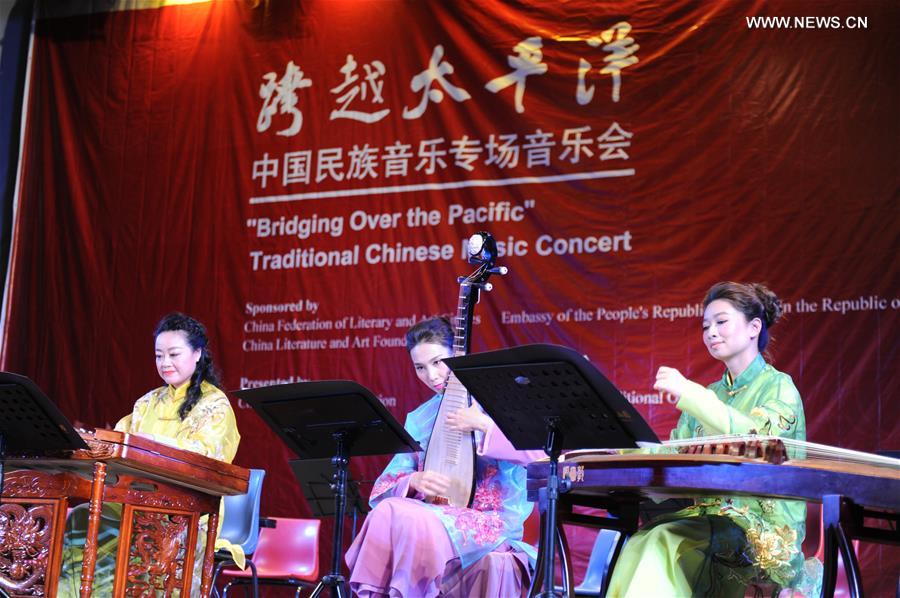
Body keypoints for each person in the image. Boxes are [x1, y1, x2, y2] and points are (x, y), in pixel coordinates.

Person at [606, 282, 818, 597]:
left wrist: (691, 394)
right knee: (639, 541)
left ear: (754, 328)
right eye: (706, 326)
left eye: (721, 322)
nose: (711, 332)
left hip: (759, 529)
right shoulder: (710, 393)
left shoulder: (779, 387)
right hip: (708, 520)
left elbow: (756, 440)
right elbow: (673, 456)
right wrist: (625, 452)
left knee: (665, 540)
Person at [345, 316, 545, 598]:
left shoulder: (500, 403)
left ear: (459, 356)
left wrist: (485, 425)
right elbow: (387, 481)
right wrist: (414, 480)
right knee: (388, 510)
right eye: (420, 367)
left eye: (438, 362)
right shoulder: (420, 418)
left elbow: (543, 455)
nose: (432, 376)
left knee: (400, 515)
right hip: (437, 513)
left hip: (492, 522)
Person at [57, 312, 241, 596]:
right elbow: (119, 442)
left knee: (153, 535)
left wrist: (154, 444)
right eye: (158, 355)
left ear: (197, 354)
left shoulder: (215, 405)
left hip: (187, 511)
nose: (165, 363)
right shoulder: (147, 403)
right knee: (82, 517)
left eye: (173, 354)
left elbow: (207, 461)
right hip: (135, 502)